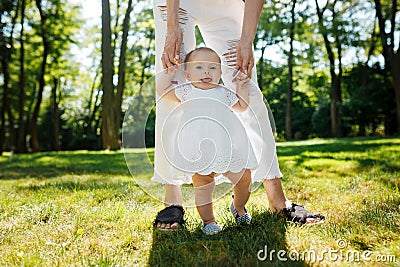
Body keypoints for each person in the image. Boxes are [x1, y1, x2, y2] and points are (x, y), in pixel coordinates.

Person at [152, 0, 325, 229]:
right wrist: (172, 26)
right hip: (178, 4)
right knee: (172, 82)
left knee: (248, 89)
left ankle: (277, 198)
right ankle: (172, 201)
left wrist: (247, 40)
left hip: (228, 4)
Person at [156, 47, 255, 234]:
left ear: (220, 72)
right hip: (197, 150)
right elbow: (162, 91)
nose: (207, 72)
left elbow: (242, 107)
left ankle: (239, 207)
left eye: (213, 68)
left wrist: (242, 86)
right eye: (199, 67)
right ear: (187, 74)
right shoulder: (185, 91)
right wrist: (168, 74)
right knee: (202, 187)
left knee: (244, 178)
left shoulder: (223, 92)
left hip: (226, 147)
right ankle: (208, 221)